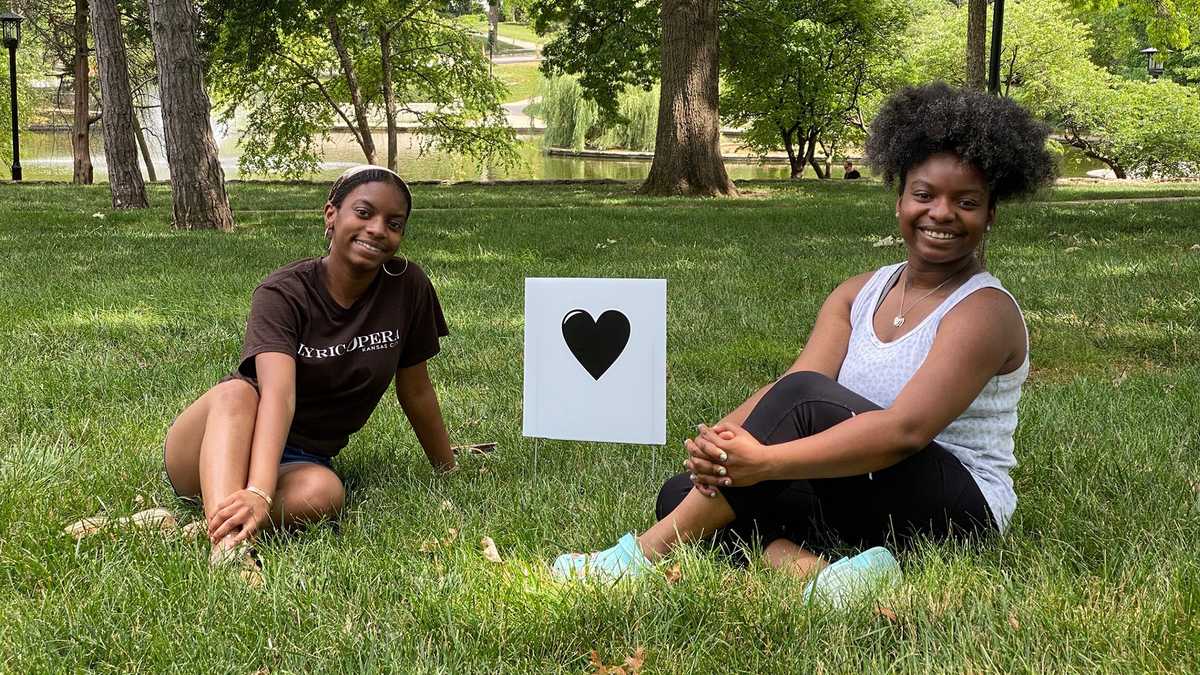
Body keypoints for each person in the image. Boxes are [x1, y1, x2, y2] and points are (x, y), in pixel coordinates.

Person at [553, 83, 1056, 604]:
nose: (941, 213)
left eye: (966, 202)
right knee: (685, 495)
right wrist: (723, 445)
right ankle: (823, 575)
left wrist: (764, 463)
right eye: (924, 195)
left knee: (797, 411)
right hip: (859, 485)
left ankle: (636, 560)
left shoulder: (984, 312)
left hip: (953, 510)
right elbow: (789, 386)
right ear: (901, 197)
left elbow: (903, 431)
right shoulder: (859, 293)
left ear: (991, 213)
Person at [163, 165, 454, 566]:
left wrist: (447, 469)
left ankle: (197, 524)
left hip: (303, 461)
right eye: (364, 213)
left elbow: (416, 389)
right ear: (331, 215)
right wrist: (261, 491)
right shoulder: (283, 292)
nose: (377, 230)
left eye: (394, 223)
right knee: (237, 391)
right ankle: (230, 549)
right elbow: (278, 398)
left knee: (326, 493)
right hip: (220, 442)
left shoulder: (408, 287)